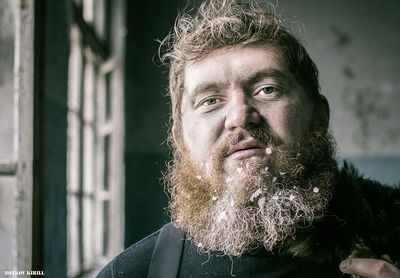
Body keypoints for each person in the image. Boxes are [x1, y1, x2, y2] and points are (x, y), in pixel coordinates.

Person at [97, 0, 400, 277]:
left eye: (268, 89)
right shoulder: (129, 273)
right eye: (210, 101)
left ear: (319, 116)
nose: (240, 116)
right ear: (179, 140)